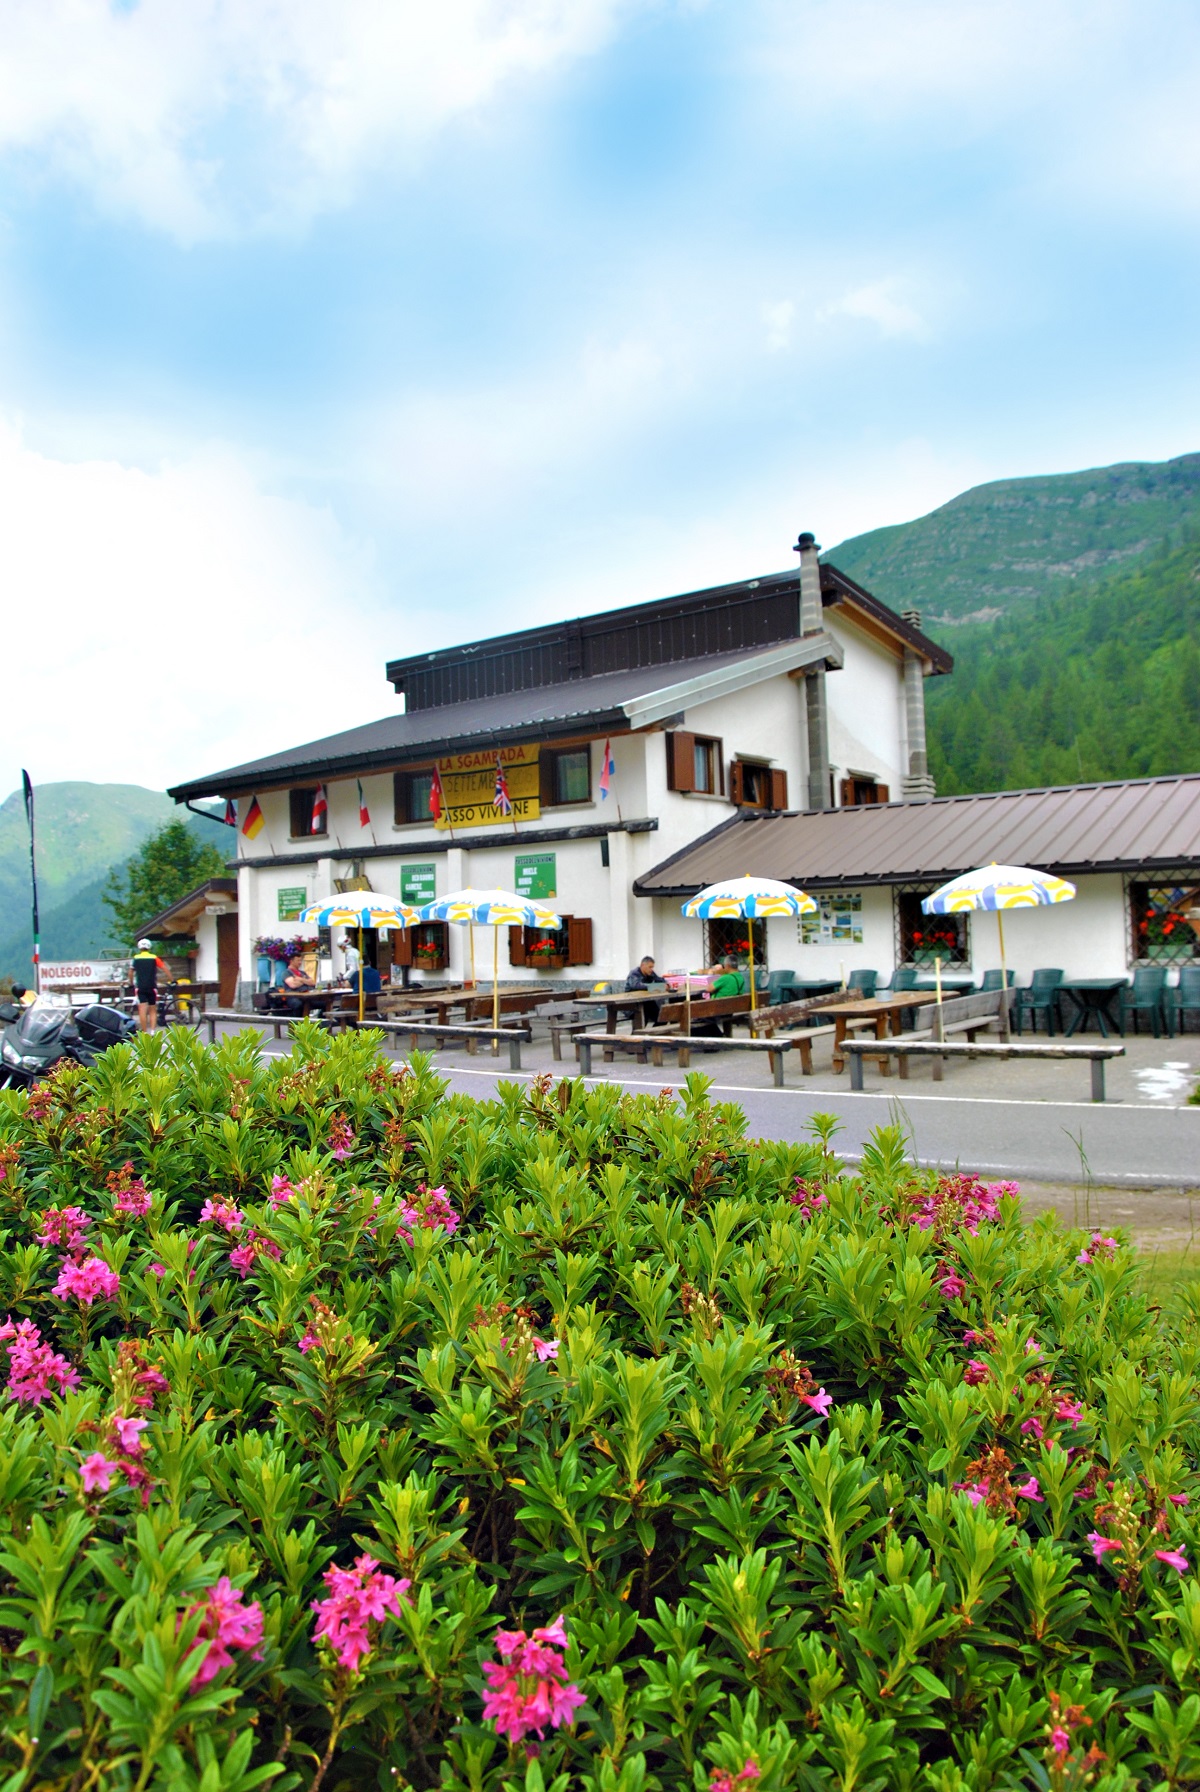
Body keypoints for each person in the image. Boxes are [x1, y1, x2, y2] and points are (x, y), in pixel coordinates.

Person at [132, 939, 170, 1032]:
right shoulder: (154, 958)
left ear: (139, 947)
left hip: (140, 987)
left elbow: (130, 971)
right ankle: (153, 1031)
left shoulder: (136, 958)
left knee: (142, 1010)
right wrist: (172, 980)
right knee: (152, 1009)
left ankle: (144, 1032)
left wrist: (130, 982)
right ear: (149, 947)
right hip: (152, 987)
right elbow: (165, 968)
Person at [624, 954, 663, 1029]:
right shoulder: (634, 973)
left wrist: (666, 983)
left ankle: (654, 1035)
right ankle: (636, 1037)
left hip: (646, 1002)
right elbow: (636, 985)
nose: (651, 969)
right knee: (643, 1017)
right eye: (650, 967)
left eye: (652, 967)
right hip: (631, 1004)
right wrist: (656, 987)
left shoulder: (650, 973)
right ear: (642, 965)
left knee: (661, 1018)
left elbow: (659, 979)